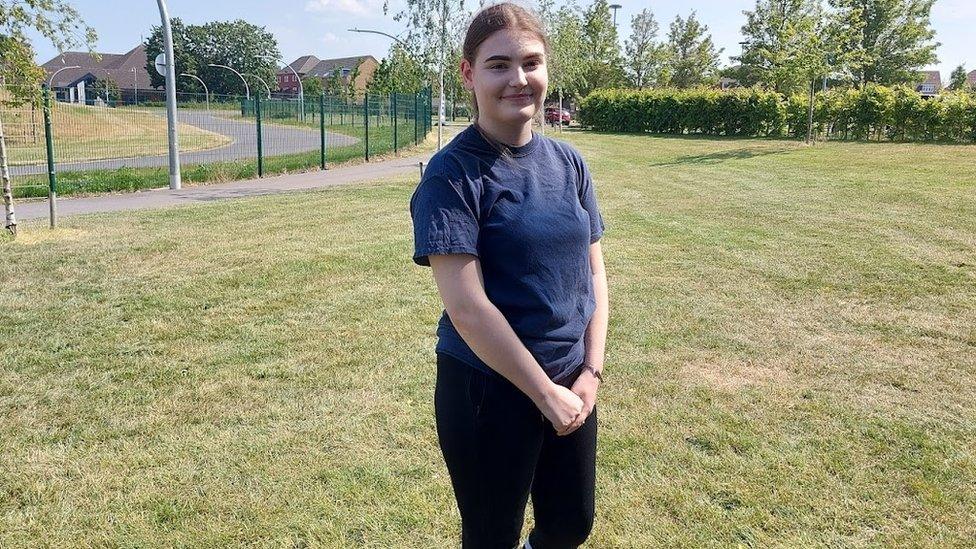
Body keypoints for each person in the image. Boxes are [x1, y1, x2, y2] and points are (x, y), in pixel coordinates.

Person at [409, 3, 608, 548]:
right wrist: (544, 394)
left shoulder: (569, 163)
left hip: (572, 383)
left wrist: (589, 372)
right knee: (492, 534)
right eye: (499, 65)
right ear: (469, 74)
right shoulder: (453, 175)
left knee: (571, 522)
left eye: (531, 62)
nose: (518, 79)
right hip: (487, 389)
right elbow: (467, 307)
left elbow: (593, 271)